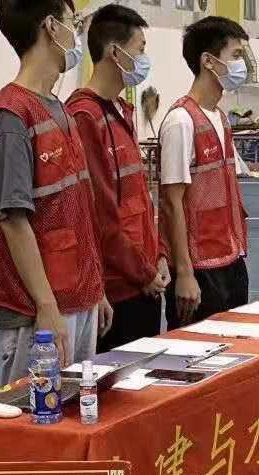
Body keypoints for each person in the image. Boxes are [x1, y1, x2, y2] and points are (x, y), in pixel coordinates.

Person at [0, 0, 109, 385]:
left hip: (76, 294)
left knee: (76, 409)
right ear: (52, 27)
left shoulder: (58, 109)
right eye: (73, 22)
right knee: (35, 414)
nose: (77, 34)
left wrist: (95, 288)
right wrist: (45, 304)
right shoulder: (11, 117)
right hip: (39, 308)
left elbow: (75, 210)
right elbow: (14, 220)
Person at [67, 5, 168, 351]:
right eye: (140, 48)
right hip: (118, 289)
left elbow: (140, 202)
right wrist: (142, 272)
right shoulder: (85, 116)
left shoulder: (121, 112)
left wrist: (159, 255)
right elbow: (101, 216)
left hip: (144, 279)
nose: (144, 58)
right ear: (115, 52)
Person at [158, 16, 250, 329]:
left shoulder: (221, 118)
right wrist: (185, 273)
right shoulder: (181, 121)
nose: (241, 65)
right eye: (236, 55)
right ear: (208, 61)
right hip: (200, 270)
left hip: (232, 260)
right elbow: (171, 203)